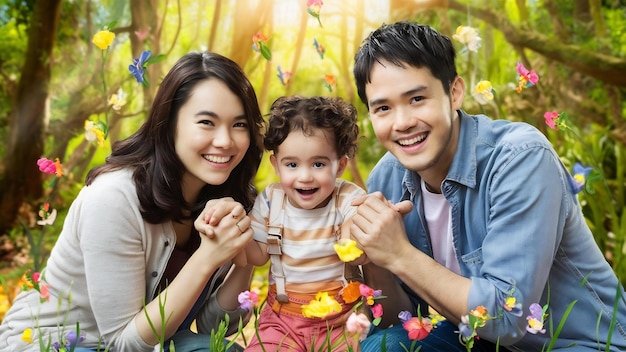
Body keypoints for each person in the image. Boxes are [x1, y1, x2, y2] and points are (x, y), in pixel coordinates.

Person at [349, 21, 626, 351]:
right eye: (383, 108)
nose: (402, 122)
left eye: (417, 98)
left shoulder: (520, 159)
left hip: (576, 345)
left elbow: (507, 318)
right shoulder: (386, 179)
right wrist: (375, 259)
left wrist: (399, 253)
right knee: (386, 346)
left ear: (454, 92)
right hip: (478, 342)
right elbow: (401, 322)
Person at [0, 51, 265, 352]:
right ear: (169, 123)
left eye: (239, 125)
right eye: (206, 122)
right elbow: (122, 344)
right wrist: (207, 257)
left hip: (153, 343)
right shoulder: (113, 198)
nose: (225, 141)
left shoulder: (226, 199)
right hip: (57, 342)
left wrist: (247, 254)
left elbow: (214, 329)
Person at [242, 96, 366, 351]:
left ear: (340, 165)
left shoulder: (347, 198)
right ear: (276, 165)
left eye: (319, 164)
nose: (305, 176)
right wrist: (237, 234)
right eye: (292, 164)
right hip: (281, 320)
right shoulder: (270, 201)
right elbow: (257, 256)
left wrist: (352, 235)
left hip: (340, 321)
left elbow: (354, 244)